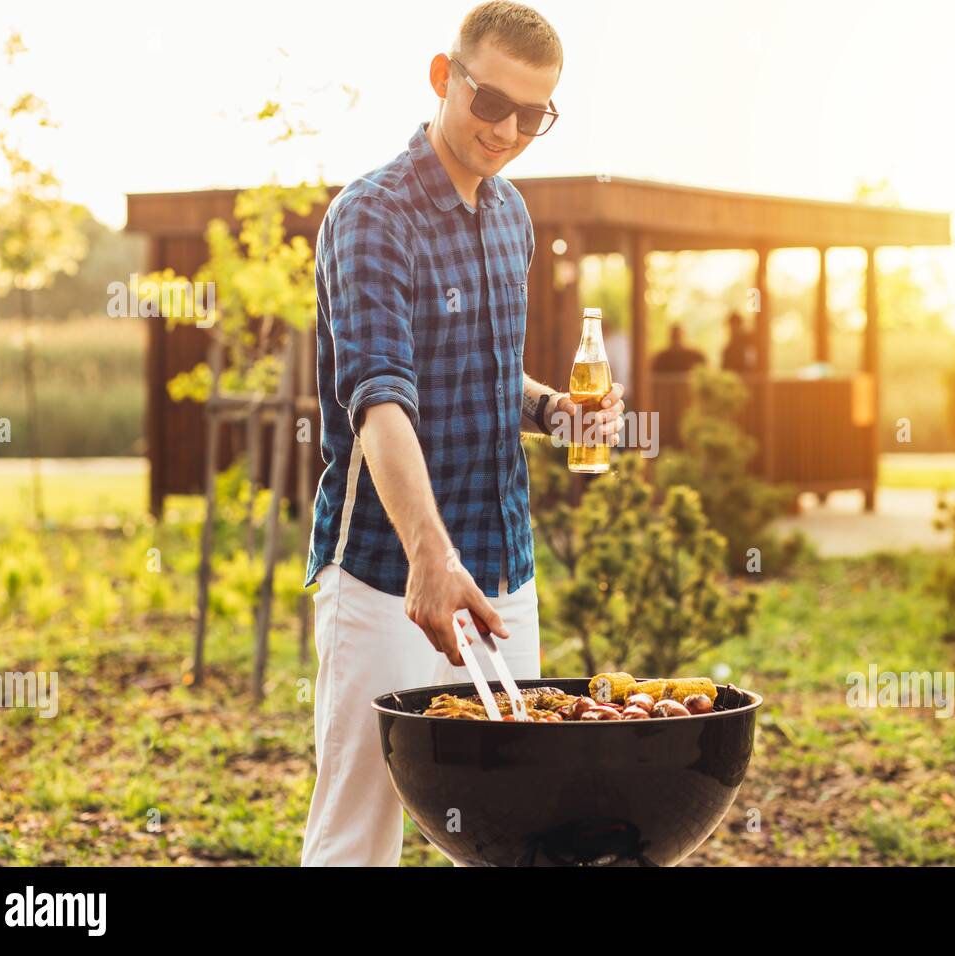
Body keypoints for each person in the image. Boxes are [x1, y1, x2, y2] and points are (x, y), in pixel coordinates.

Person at [301, 1, 626, 867]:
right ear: (445, 79)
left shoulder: (513, 216)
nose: (509, 130)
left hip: (503, 577)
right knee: (357, 832)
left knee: (517, 827)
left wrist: (556, 409)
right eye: (492, 104)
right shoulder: (371, 216)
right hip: (384, 572)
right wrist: (428, 556)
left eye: (534, 115)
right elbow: (380, 399)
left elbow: (487, 372)